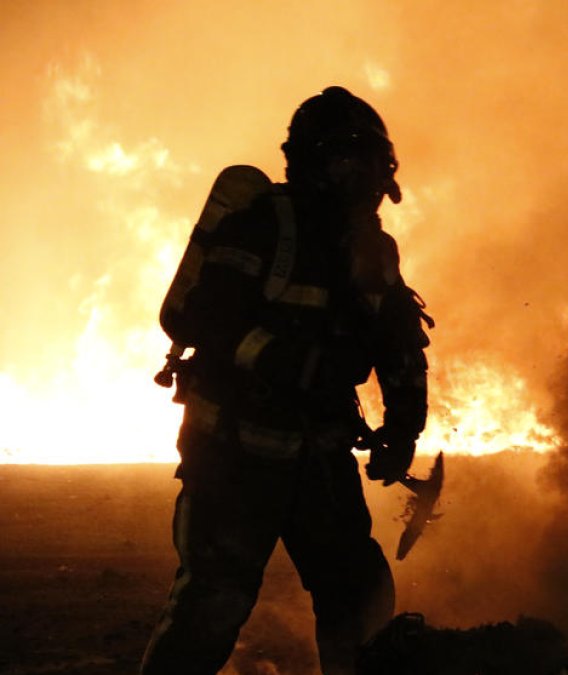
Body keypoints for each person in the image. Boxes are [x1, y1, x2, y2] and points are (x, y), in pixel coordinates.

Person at [141, 86, 432, 675]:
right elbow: (209, 318)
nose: (369, 178)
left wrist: (404, 426)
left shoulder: (373, 250)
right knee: (213, 604)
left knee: (359, 596)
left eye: (375, 163)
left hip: (318, 458)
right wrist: (292, 365)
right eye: (354, 159)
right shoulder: (261, 226)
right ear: (318, 162)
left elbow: (398, 343)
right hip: (233, 455)